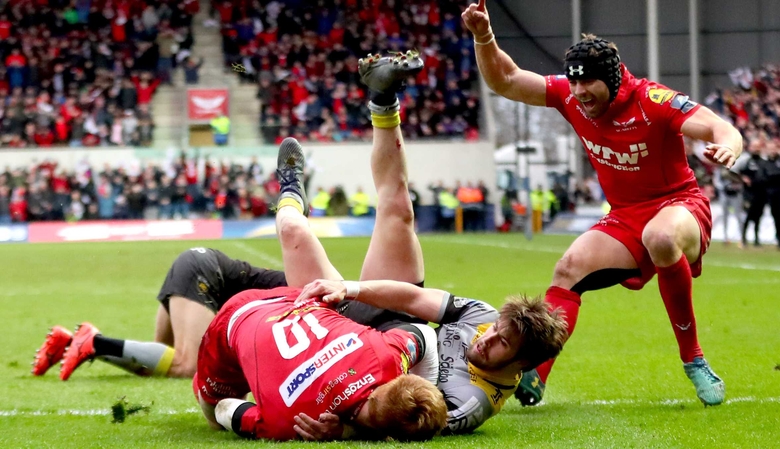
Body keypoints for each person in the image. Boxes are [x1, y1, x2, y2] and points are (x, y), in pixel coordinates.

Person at [462, 0, 743, 406]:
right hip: (626, 216)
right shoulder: (571, 96)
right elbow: (506, 80)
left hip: (679, 204)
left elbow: (719, 127)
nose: (579, 92)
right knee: (568, 269)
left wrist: (728, 147)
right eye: (574, 83)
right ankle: (537, 375)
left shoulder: (652, 100)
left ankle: (694, 359)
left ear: (611, 79)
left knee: (660, 236)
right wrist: (484, 36)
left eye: (588, 83)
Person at [291, 51, 568, 438]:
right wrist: (350, 289)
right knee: (398, 208)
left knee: (295, 244)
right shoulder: (482, 317)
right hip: (394, 324)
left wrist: (347, 430)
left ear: (520, 364)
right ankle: (383, 99)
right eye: (496, 330)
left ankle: (288, 198)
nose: (487, 338)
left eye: (502, 342)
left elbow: (407, 421)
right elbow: (412, 299)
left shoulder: (469, 403)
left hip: (356, 358)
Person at [194, 138, 447, 441]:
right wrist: (349, 430)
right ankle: (291, 192)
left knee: (212, 412)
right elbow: (227, 410)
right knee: (293, 229)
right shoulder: (296, 422)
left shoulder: (386, 360)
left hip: (251, 315)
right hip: (306, 303)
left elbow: (425, 337)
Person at [32, 249, 288, 380]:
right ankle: (96, 343)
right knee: (189, 366)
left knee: (159, 362)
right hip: (203, 274)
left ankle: (70, 343)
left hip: (197, 266)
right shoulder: (304, 292)